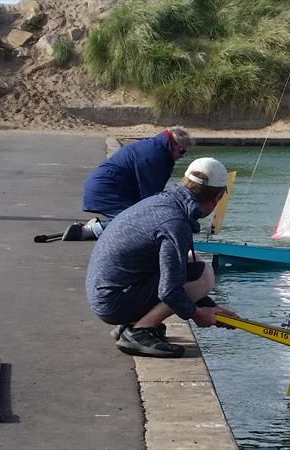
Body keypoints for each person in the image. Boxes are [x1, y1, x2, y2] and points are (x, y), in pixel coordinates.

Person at [85, 157, 238, 358]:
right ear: (218, 197)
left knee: (193, 260)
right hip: (113, 302)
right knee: (204, 274)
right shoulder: (175, 223)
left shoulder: (162, 201)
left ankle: (133, 324)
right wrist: (199, 315)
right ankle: (140, 331)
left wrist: (210, 307)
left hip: (107, 292)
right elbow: (169, 291)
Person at [64, 126, 193, 240]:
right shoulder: (153, 155)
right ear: (174, 144)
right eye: (182, 151)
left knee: (142, 218)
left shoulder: (155, 148)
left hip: (108, 188)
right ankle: (88, 231)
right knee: (140, 222)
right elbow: (151, 199)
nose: (181, 156)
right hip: (106, 191)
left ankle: (100, 225)